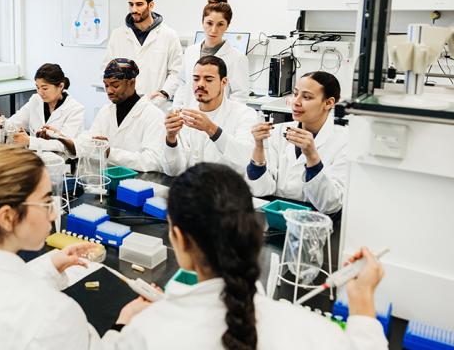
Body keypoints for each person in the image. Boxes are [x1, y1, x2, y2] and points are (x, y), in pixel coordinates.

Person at [104, 163, 388, 349]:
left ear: (178, 238)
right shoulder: (314, 334)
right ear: (252, 228)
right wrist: (362, 302)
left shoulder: (146, 333)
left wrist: (123, 323)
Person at [0, 144, 140, 349]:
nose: (54, 213)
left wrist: (50, 266)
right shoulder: (53, 315)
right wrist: (124, 323)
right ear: (7, 217)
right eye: (46, 202)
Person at [247, 71, 348, 214]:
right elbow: (260, 190)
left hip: (313, 223)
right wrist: (258, 147)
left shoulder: (344, 142)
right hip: (275, 215)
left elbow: (330, 204)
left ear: (328, 103)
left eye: (306, 97)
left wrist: (312, 157)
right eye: (295, 94)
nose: (296, 102)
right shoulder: (278, 131)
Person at [59, 59, 165, 172]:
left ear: (131, 82)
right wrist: (63, 139)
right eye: (106, 85)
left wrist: (110, 152)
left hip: (138, 183)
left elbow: (152, 161)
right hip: (108, 178)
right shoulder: (106, 111)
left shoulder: (154, 115)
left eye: (115, 85)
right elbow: (89, 140)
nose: (109, 91)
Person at [162, 56, 255, 177]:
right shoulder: (185, 115)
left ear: (224, 82)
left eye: (209, 79)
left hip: (226, 191)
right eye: (196, 79)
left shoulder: (244, 114)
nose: (200, 84)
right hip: (191, 189)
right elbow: (173, 171)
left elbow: (246, 159)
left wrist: (211, 129)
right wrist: (171, 139)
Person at [102, 0, 182, 102]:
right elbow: (106, 69)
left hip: (155, 104)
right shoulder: (118, 35)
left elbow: (176, 71)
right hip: (123, 103)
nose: (134, 9)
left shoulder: (168, 35)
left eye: (139, 4)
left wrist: (164, 94)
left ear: (151, 5)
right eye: (131, 4)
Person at [0, 63, 84, 156]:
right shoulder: (36, 100)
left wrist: (29, 141)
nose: (40, 92)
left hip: (62, 164)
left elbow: (64, 145)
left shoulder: (75, 109)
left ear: (61, 86)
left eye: (45, 88)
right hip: (36, 159)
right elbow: (12, 125)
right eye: (37, 87)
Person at [174, 0, 249, 106]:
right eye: (209, 23)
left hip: (218, 120)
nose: (213, 30)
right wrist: (177, 109)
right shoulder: (190, 52)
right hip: (189, 116)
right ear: (202, 22)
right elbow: (183, 84)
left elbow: (239, 96)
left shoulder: (237, 58)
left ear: (227, 25)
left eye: (220, 24)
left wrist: (226, 120)